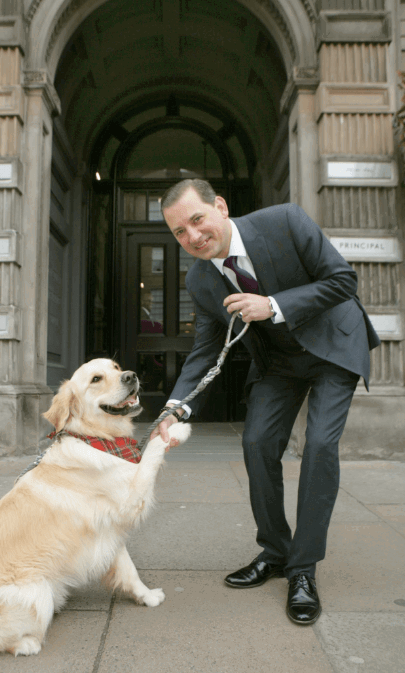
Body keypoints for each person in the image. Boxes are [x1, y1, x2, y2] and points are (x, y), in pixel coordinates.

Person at [151, 178, 380, 625]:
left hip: (333, 343)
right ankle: (275, 551)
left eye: (198, 220)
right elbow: (204, 349)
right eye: (180, 232)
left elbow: (342, 280)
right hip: (279, 363)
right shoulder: (200, 278)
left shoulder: (285, 221)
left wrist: (273, 305)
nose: (193, 237)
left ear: (220, 206)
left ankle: (303, 568)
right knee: (256, 442)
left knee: (317, 447)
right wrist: (175, 406)